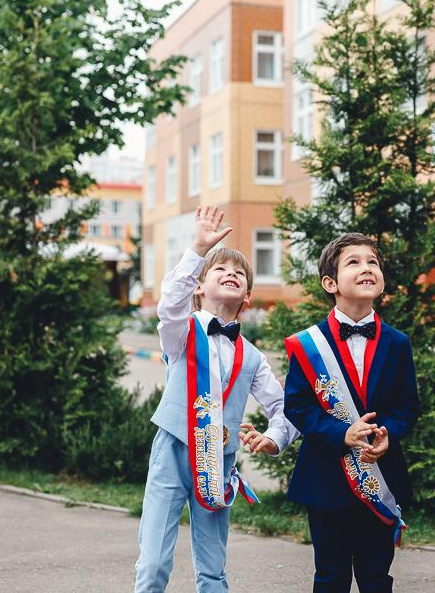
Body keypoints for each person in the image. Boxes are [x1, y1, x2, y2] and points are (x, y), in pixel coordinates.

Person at [135, 206, 299, 593]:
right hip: (173, 450)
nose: (231, 274)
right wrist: (197, 249)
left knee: (213, 568)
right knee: (155, 560)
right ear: (199, 286)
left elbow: (284, 407)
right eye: (219, 270)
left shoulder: (253, 356)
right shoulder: (181, 332)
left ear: (247, 295)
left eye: (239, 273)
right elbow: (168, 305)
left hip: (218, 462)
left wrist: (275, 437)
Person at [283, 233, 419, 593]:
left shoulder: (398, 343)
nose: (366, 268)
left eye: (372, 261)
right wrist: (339, 434)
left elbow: (407, 405)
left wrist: (387, 433)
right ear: (331, 283)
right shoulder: (308, 345)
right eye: (354, 262)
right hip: (326, 478)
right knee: (331, 576)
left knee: (377, 577)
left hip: (380, 474)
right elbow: (297, 406)